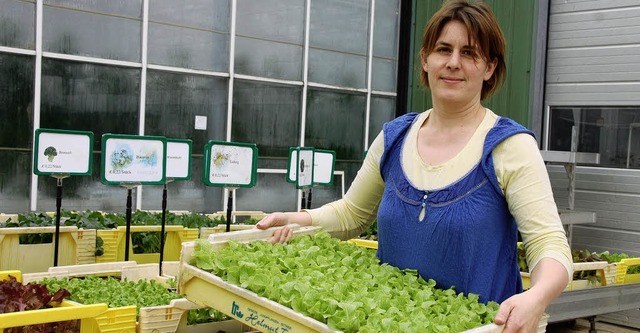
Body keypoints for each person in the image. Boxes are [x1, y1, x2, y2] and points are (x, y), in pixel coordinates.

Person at [257, 0, 572, 332]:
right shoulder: (395, 138)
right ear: (425, 59)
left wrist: (536, 297)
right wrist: (294, 219)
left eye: (469, 53)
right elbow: (352, 213)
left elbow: (548, 243)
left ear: (489, 68)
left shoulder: (510, 146)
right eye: (443, 49)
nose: (453, 63)